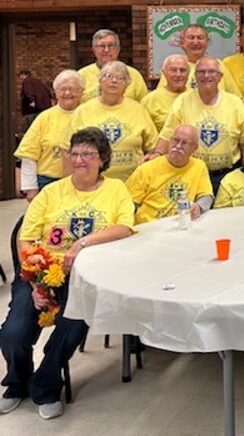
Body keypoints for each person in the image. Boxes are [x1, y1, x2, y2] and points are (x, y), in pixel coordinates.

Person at [0, 127, 134, 419]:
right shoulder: (51, 192)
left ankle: (46, 385)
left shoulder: (116, 190)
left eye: (88, 154)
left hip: (86, 277)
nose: (79, 160)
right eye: (74, 153)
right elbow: (27, 237)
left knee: (71, 328)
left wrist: (83, 244)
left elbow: (124, 226)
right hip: (41, 272)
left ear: (103, 159)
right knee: (13, 333)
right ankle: (17, 382)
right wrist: (35, 281)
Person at [155, 57, 244, 193]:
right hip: (191, 174)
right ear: (195, 76)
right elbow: (168, 134)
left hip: (227, 176)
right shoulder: (182, 101)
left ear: (220, 77)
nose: (206, 76)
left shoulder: (235, 103)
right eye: (201, 72)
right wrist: (157, 153)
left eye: (211, 72)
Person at [67, 61, 158, 181]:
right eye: (109, 76)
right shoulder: (82, 111)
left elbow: (153, 149)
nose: (114, 81)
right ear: (99, 81)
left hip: (133, 183)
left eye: (120, 78)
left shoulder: (139, 110)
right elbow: (66, 150)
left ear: (127, 85)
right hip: (91, 184)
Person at [15, 70, 84, 201]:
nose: (67, 93)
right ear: (55, 93)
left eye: (73, 89)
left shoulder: (89, 114)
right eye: (62, 89)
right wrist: (31, 188)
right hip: (48, 181)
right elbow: (29, 154)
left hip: (85, 181)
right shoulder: (44, 118)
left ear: (82, 92)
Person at [125, 125, 213, 224]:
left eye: (185, 143)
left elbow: (206, 195)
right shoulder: (146, 169)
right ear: (169, 141)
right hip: (150, 226)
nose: (178, 146)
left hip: (182, 223)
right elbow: (127, 204)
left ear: (195, 148)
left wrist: (199, 207)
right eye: (175, 140)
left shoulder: (199, 166)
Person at [158, 24, 240, 96]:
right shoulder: (174, 67)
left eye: (200, 38)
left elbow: (236, 97)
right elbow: (162, 96)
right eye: (191, 38)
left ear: (207, 43)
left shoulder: (218, 65)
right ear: (183, 42)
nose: (196, 42)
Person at [77, 29, 148, 104]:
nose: (106, 50)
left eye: (111, 46)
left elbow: (144, 105)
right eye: (101, 46)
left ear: (118, 49)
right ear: (94, 50)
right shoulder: (81, 76)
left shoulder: (133, 75)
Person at [141, 54, 190, 132]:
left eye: (182, 70)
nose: (178, 74)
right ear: (164, 72)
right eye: (173, 70)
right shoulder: (150, 100)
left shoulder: (196, 96)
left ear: (188, 73)